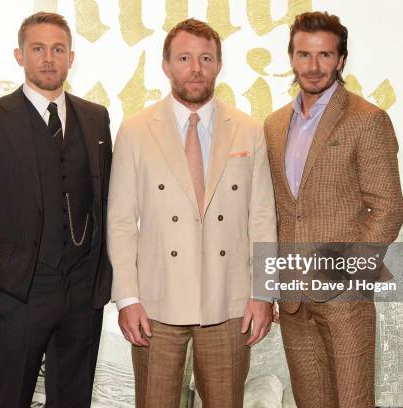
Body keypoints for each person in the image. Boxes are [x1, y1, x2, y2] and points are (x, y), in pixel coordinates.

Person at [107, 18, 277, 408]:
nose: (195, 68)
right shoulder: (135, 130)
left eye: (205, 58)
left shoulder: (248, 130)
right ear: (166, 65)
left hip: (229, 301)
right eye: (184, 58)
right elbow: (120, 222)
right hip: (154, 303)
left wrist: (263, 293)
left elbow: (262, 218)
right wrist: (127, 298)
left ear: (219, 65)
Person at [0, 12, 112, 407]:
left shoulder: (96, 118)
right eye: (38, 49)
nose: (48, 58)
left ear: (71, 57)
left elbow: (106, 201)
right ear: (20, 55)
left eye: (58, 49)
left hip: (82, 297)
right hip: (18, 295)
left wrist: (101, 282)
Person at [264, 12, 403, 408]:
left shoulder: (367, 119)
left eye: (325, 55)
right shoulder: (273, 126)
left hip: (345, 297)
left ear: (341, 60)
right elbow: (274, 210)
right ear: (291, 58)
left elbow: (388, 209)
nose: (313, 66)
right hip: (291, 299)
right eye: (304, 54)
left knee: (354, 402)